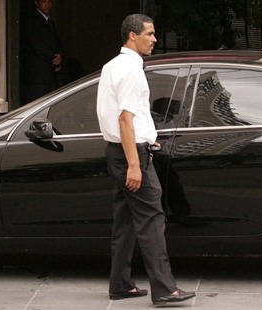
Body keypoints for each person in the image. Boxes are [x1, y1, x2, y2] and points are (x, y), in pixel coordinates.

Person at [96, 13, 196, 306]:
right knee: (152, 219)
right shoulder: (131, 70)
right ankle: (165, 289)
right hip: (130, 153)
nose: (154, 39)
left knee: (125, 221)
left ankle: (120, 284)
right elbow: (125, 119)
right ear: (132, 36)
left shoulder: (112, 65)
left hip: (118, 151)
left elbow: (118, 115)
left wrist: (145, 135)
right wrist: (136, 165)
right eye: (150, 34)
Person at [20, 0, 64, 104]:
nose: (48, 4)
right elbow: (37, 46)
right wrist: (53, 60)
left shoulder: (50, 22)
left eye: (49, 1)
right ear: (36, 3)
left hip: (50, 77)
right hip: (37, 78)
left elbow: (57, 44)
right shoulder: (31, 21)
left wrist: (60, 57)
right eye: (44, 1)